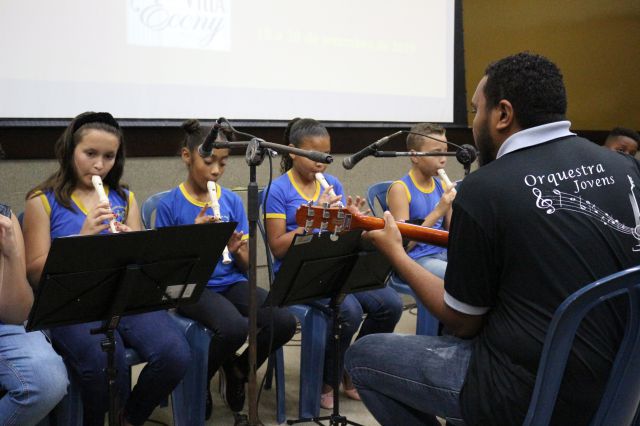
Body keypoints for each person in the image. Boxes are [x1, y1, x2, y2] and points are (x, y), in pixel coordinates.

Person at [345, 52, 640, 426]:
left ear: (502, 114)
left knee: (364, 356)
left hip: (533, 392)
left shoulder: (485, 189)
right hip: (623, 384)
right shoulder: (624, 167)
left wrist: (396, 253)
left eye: (475, 110)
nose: (473, 124)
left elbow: (462, 321)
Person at [22, 112, 192, 426]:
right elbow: (33, 272)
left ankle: (129, 417)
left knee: (175, 354)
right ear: (69, 151)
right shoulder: (41, 200)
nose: (99, 165)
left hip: (123, 298)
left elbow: (144, 266)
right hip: (70, 305)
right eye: (90, 153)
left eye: (109, 156)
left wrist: (132, 246)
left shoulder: (125, 198)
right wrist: (82, 240)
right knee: (104, 365)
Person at [154, 119, 297, 419]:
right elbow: (167, 271)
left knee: (283, 321)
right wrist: (194, 239)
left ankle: (237, 369)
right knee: (233, 327)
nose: (216, 170)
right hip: (192, 286)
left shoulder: (230, 200)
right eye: (208, 162)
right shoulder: (169, 204)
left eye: (223, 163)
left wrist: (238, 250)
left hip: (230, 281)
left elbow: (246, 266)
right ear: (186, 156)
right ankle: (200, 377)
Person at [264, 118, 403, 409]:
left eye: (326, 155)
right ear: (293, 152)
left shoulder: (333, 184)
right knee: (348, 310)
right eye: (314, 155)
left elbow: (341, 236)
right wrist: (314, 218)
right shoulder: (278, 190)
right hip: (298, 274)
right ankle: (328, 380)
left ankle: (352, 368)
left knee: (390, 304)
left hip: (335, 266)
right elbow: (277, 248)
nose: (321, 163)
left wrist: (352, 220)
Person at [0, 200, 68, 425]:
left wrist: (11, 255)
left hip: (4, 322)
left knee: (48, 380)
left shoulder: (4, 216)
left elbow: (18, 313)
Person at [386, 122, 456, 282]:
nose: (443, 159)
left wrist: (454, 207)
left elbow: (452, 233)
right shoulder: (400, 189)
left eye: (445, 152)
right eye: (436, 153)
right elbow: (404, 246)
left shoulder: (442, 186)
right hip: (416, 259)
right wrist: (438, 212)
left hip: (443, 253)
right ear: (414, 156)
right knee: (459, 277)